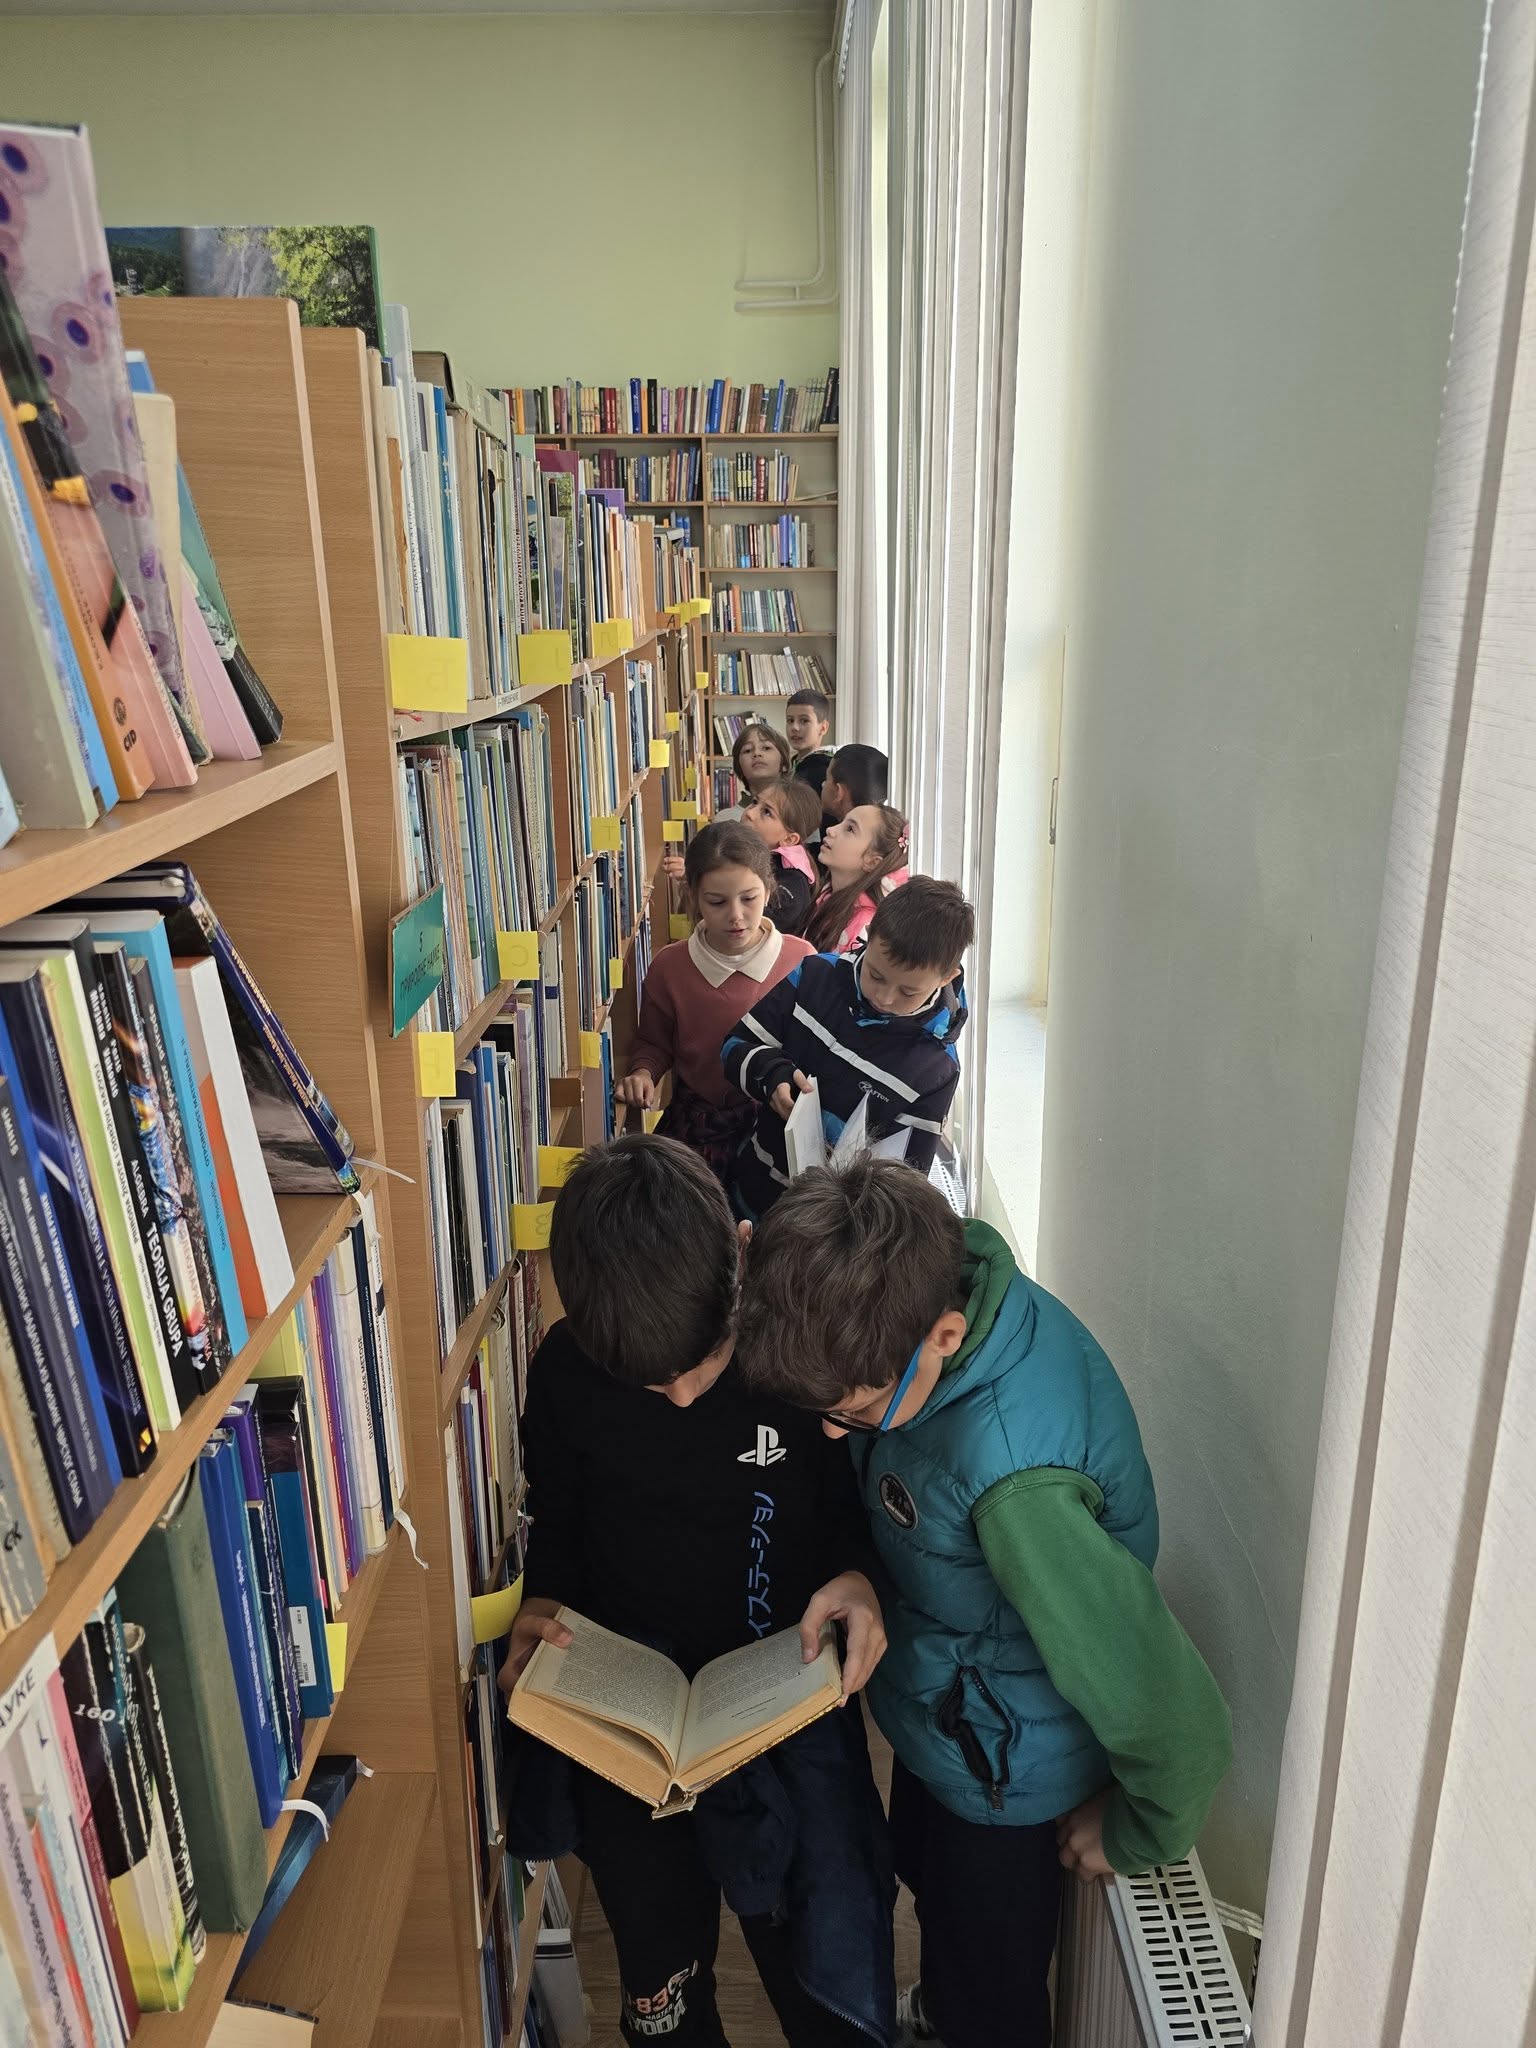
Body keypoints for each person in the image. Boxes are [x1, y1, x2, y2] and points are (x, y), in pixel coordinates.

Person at [734, 1158, 1235, 2048]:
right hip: (955, 1713)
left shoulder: (1018, 1488)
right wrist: (862, 1570)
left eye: (852, 1411)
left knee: (990, 1994)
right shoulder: (933, 1284)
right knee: (938, 1902)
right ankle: (944, 2005)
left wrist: (1135, 1834)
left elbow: (1180, 1720)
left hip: (1007, 1770)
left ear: (945, 1334)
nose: (831, 1431)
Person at [499, 1136, 896, 2048]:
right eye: (650, 1382)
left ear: (744, 1256)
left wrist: (861, 1582)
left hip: (785, 1710)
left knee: (826, 1972)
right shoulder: (567, 1372)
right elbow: (558, 1524)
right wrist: (540, 1606)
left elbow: (856, 1513)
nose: (680, 1396)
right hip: (634, 1735)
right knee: (663, 1989)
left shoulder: (800, 1353)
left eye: (705, 1365)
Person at [722, 878, 971, 1221]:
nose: (884, 998)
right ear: (869, 936)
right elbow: (735, 1046)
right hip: (752, 1190)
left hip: (827, 1232)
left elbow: (907, 1183)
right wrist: (772, 1076)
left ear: (946, 978)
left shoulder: (936, 1067)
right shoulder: (814, 976)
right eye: (876, 975)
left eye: (908, 992)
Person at [616, 821, 813, 1180]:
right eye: (717, 902)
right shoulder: (670, 966)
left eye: (749, 899)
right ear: (693, 896)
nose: (736, 916)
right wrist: (643, 1073)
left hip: (778, 1128)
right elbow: (654, 1043)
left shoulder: (802, 961)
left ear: (769, 889)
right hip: (697, 1127)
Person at [803, 802, 910, 956]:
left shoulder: (865, 928)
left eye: (850, 829)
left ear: (872, 862)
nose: (830, 830)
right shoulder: (828, 895)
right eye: (841, 822)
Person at [742, 775, 823, 934]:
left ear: (789, 839)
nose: (750, 813)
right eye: (755, 802)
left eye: (767, 812)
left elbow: (759, 924)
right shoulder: (743, 852)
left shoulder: (793, 880)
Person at [716, 720, 792, 823]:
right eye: (747, 750)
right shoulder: (725, 819)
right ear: (739, 768)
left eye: (766, 748)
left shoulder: (799, 811)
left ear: (784, 764)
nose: (756, 753)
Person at [816, 742, 889, 842]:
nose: (823, 784)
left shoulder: (837, 846)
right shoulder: (876, 840)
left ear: (838, 792)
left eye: (827, 778)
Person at [786, 688, 835, 796]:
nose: (794, 727)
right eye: (790, 720)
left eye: (804, 721)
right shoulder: (788, 766)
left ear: (823, 728)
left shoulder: (826, 772)